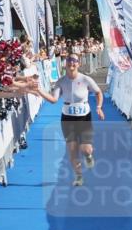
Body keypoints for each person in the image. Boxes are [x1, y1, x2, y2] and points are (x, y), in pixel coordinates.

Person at [36, 53, 104, 187]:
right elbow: (54, 100)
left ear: (78, 64)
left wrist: (99, 107)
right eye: (69, 60)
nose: (71, 63)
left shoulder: (85, 79)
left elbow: (98, 92)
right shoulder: (61, 81)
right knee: (72, 149)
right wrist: (39, 90)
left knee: (85, 149)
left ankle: (88, 155)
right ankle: (79, 176)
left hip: (84, 118)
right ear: (65, 63)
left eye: (74, 61)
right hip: (67, 119)